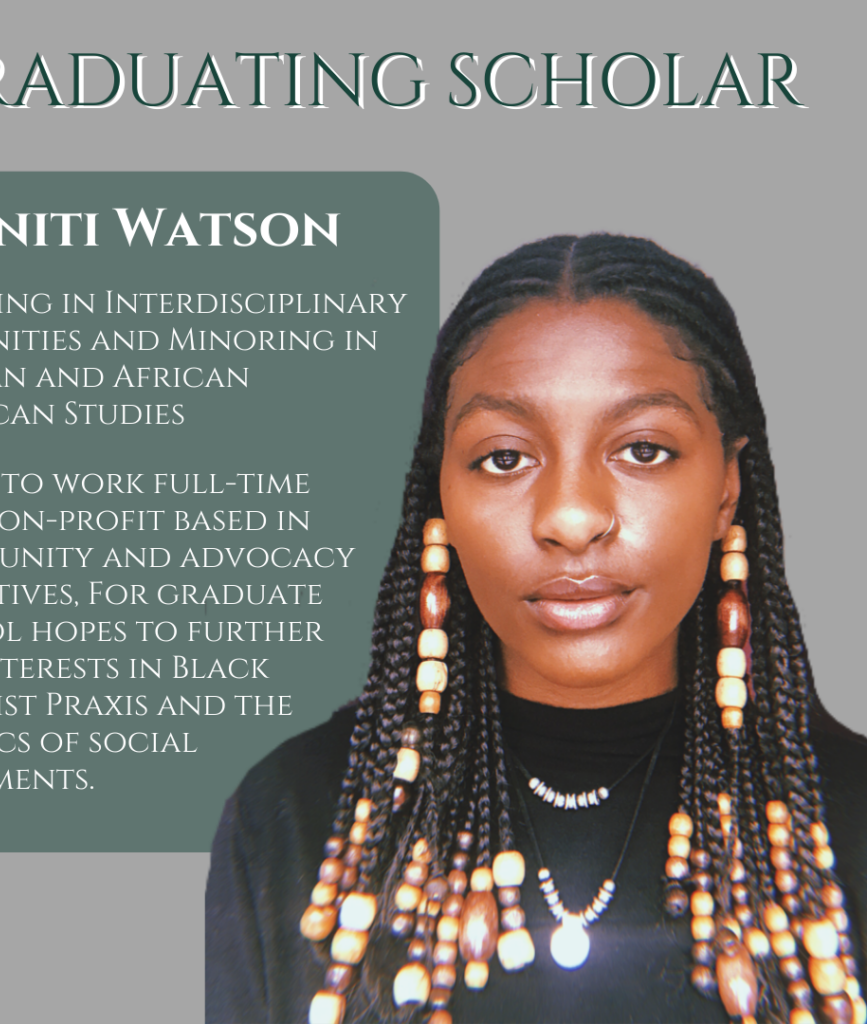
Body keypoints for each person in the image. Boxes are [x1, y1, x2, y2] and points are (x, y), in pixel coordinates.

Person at [205, 234, 867, 1024]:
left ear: (727, 487)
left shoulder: (845, 817)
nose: (571, 518)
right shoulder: (295, 816)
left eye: (644, 449)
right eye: (505, 458)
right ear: (440, 494)